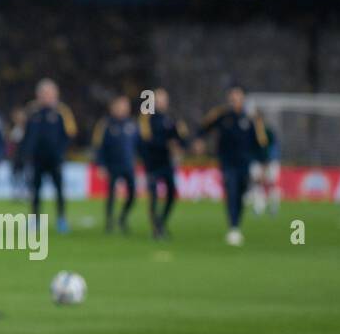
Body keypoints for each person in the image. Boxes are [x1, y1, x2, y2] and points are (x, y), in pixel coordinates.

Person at [195, 85, 268, 246]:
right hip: (227, 163)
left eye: (238, 97)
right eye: (232, 97)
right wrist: (199, 140)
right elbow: (204, 127)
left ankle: (236, 225)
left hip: (244, 164)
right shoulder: (222, 115)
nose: (235, 100)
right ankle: (233, 227)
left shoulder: (251, 118)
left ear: (243, 99)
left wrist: (263, 164)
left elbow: (261, 142)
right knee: (232, 191)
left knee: (240, 194)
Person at [18, 79, 77, 232]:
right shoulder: (31, 111)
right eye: (43, 93)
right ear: (38, 95)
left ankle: (61, 219)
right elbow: (24, 134)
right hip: (37, 159)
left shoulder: (62, 111)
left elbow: (71, 133)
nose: (46, 96)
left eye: (49, 93)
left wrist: (60, 152)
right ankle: (35, 220)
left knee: (59, 190)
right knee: (35, 191)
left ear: (55, 94)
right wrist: (25, 154)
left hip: (55, 159)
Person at [138, 88, 189, 238]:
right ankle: (156, 228)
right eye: (159, 100)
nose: (162, 102)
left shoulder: (171, 119)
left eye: (164, 99)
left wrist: (180, 146)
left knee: (172, 193)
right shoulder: (146, 117)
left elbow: (181, 138)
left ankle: (161, 222)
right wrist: (168, 144)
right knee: (153, 197)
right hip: (152, 164)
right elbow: (146, 141)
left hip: (166, 163)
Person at [93, 96, 138, 233]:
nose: (122, 109)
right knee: (111, 195)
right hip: (112, 165)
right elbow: (98, 146)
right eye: (119, 106)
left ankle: (122, 218)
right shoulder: (105, 124)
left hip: (128, 165)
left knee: (132, 195)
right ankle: (109, 222)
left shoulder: (132, 124)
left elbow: (140, 144)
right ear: (113, 107)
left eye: (125, 106)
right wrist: (100, 165)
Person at [251, 114, 281, 216]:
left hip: (271, 162)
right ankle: (259, 207)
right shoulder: (252, 133)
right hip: (257, 162)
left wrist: (267, 164)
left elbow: (272, 149)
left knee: (271, 184)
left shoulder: (268, 132)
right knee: (257, 183)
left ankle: (273, 207)